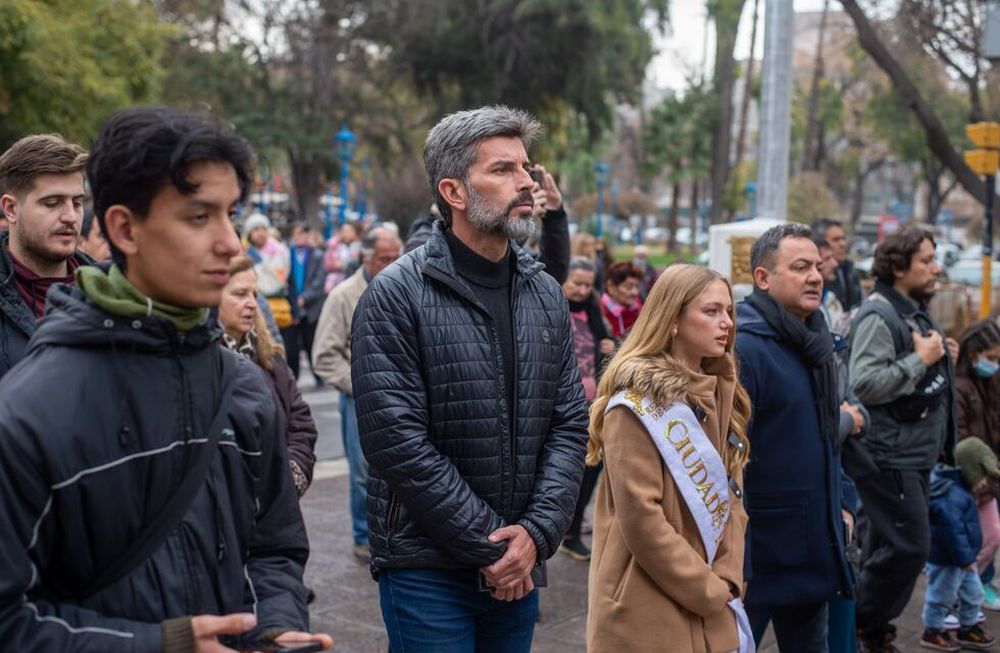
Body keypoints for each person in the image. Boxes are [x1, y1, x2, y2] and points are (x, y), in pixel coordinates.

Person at [0, 106, 332, 652]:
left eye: (231, 214)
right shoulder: (31, 409)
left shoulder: (245, 385)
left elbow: (275, 547)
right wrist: (158, 644)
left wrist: (275, 624)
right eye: (199, 217)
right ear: (124, 229)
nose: (231, 243)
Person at [351, 105, 589, 652]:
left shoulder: (543, 291)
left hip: (520, 560)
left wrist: (535, 533)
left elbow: (570, 424)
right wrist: (494, 546)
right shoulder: (396, 294)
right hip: (427, 566)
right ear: (454, 192)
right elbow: (397, 444)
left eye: (525, 168)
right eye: (503, 170)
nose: (527, 182)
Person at [586, 263, 753, 653]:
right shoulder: (635, 405)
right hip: (647, 601)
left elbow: (732, 498)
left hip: (713, 595)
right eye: (711, 311)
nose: (726, 322)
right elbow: (643, 520)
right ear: (673, 319)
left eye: (729, 311)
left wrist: (727, 575)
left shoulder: (721, 392)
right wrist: (708, 588)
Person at [735, 223, 854, 652]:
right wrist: (737, 559)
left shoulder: (817, 341)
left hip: (812, 549)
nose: (816, 277)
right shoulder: (744, 348)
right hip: (758, 558)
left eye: (817, 267)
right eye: (800, 267)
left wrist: (843, 500)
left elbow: (826, 439)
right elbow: (727, 464)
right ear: (763, 279)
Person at [849, 225, 957, 653]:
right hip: (890, 455)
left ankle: (871, 632)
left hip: (912, 452)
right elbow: (866, 383)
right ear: (898, 267)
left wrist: (940, 356)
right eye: (927, 260)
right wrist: (921, 359)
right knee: (911, 548)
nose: (936, 267)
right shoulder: (880, 313)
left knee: (882, 545)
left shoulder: (911, 307)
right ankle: (856, 617)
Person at [312, 225, 402, 561]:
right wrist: (362, 384)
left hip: (398, 393)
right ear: (366, 258)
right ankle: (363, 536)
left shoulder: (405, 286)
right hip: (359, 397)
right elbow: (324, 356)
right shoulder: (343, 295)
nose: (392, 263)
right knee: (363, 471)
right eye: (384, 258)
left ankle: (389, 532)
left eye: (396, 256)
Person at [218, 254, 318, 498]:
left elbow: (301, 421)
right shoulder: (204, 361)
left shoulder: (270, 356)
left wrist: (292, 475)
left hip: (277, 507)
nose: (252, 303)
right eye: (240, 294)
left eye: (254, 294)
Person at [0, 133, 91, 378]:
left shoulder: (110, 295)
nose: (71, 217)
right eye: (52, 203)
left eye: (77, 203)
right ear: (11, 208)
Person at [558, 257, 615, 561]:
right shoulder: (550, 305)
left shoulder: (594, 312)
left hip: (590, 405)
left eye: (586, 284)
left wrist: (610, 345)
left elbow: (605, 349)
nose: (580, 289)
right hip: (558, 405)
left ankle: (572, 531)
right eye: (575, 282)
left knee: (590, 467)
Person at [920, 439, 997, 651]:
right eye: (983, 476)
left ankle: (968, 627)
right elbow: (952, 532)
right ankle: (932, 631)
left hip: (963, 559)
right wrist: (964, 559)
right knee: (941, 596)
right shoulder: (950, 495)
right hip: (948, 560)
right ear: (970, 469)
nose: (985, 483)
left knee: (974, 593)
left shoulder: (961, 492)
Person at [954, 319, 1000, 610]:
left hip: (991, 475)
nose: (995, 364)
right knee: (986, 535)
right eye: (992, 358)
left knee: (989, 535)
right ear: (974, 356)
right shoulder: (960, 389)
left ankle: (977, 583)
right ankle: (965, 589)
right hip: (972, 479)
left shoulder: (992, 383)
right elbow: (959, 437)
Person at [286, 221, 326, 383]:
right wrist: (294, 300)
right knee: (292, 346)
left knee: (312, 343)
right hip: (292, 307)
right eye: (296, 234)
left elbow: (319, 280)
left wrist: (306, 297)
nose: (299, 237)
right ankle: (293, 378)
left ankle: (318, 374)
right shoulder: (286, 254)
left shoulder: (317, 255)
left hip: (311, 308)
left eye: (302, 234)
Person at [814, 218, 863, 312]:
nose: (843, 244)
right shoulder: (815, 280)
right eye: (836, 239)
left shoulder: (851, 271)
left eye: (843, 239)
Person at [600, 261, 643, 340]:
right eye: (628, 287)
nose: (635, 292)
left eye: (636, 286)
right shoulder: (599, 313)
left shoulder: (640, 311)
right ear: (611, 287)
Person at [323, 220, 362, 291]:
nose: (345, 234)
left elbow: (349, 263)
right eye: (343, 231)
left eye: (348, 231)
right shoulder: (337, 245)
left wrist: (341, 264)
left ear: (356, 232)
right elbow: (328, 264)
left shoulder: (358, 246)